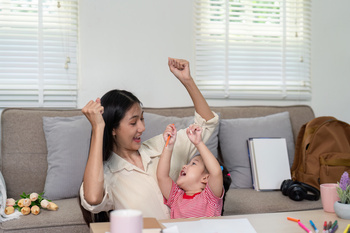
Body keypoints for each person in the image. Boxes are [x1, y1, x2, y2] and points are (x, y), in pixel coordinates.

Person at [79, 58, 219, 220]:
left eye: (142, 119)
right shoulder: (107, 173)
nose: (142, 128)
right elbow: (93, 199)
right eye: (133, 122)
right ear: (113, 130)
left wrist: (187, 81)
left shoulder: (165, 144)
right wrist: (98, 128)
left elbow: (206, 124)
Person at [157, 123, 224, 218]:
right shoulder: (176, 197)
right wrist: (169, 146)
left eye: (193, 163)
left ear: (205, 178)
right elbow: (162, 177)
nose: (184, 166)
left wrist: (199, 143)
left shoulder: (210, 197)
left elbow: (216, 172)